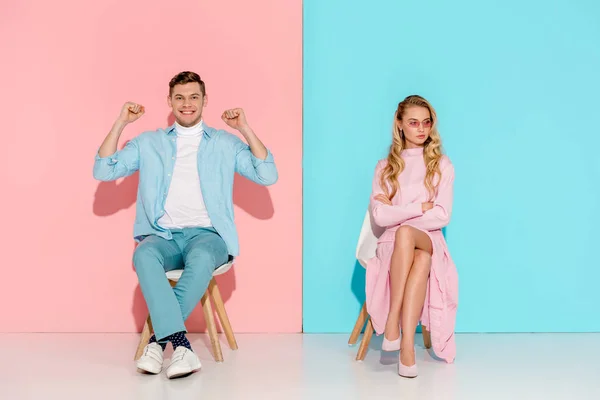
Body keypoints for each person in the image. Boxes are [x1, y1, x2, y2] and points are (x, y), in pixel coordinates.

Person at [93, 71, 278, 378]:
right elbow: (103, 170)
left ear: (205, 101)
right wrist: (121, 123)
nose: (187, 104)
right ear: (170, 102)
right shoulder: (149, 142)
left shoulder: (224, 143)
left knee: (203, 258)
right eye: (179, 97)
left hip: (208, 236)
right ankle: (181, 347)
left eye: (194, 97)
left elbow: (267, 175)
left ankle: (157, 342)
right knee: (143, 255)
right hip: (162, 235)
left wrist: (244, 128)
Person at [365, 95, 458, 378]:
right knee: (419, 256)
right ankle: (407, 347)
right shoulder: (385, 167)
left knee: (408, 232)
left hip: (430, 237)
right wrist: (419, 207)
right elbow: (380, 217)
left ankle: (392, 320)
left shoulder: (441, 164)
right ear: (400, 124)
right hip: (392, 243)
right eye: (413, 123)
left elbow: (442, 215)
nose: (421, 129)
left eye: (426, 123)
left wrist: (398, 210)